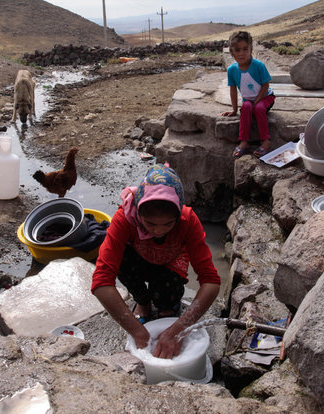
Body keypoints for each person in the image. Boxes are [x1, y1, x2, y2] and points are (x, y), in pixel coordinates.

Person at [91, 163, 221, 360]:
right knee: (123, 263)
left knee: (167, 297)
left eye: (168, 224)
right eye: (150, 223)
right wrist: (134, 329)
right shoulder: (125, 218)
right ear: (138, 211)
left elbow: (211, 281)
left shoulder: (187, 220)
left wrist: (179, 328)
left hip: (170, 261)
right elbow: (101, 281)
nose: (158, 231)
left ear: (177, 215)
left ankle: (166, 307)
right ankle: (142, 301)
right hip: (138, 259)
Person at [221, 30, 276, 158]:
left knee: (259, 108)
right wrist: (234, 110)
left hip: (265, 96)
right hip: (248, 100)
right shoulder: (232, 70)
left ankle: (265, 141)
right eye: (238, 50)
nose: (242, 53)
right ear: (232, 53)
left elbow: (265, 85)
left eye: (245, 49)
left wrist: (256, 101)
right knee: (245, 107)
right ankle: (244, 142)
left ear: (251, 49)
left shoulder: (258, 66)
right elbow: (233, 89)